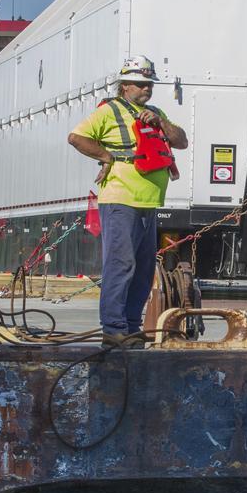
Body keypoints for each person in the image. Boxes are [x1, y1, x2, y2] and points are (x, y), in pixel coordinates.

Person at [67, 55, 188, 346]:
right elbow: (76, 137)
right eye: (139, 84)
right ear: (124, 86)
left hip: (149, 201)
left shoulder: (155, 113)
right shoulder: (109, 111)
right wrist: (106, 156)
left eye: (148, 84)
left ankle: (131, 326)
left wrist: (159, 121)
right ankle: (113, 327)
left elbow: (181, 140)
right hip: (121, 197)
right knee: (121, 263)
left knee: (144, 267)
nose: (145, 89)